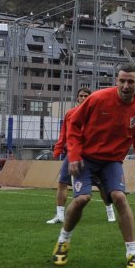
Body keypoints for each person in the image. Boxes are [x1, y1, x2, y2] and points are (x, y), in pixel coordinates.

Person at [52, 63, 135, 268]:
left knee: (120, 198)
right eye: (122, 81)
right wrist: (74, 155)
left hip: (112, 162)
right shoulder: (98, 98)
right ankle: (63, 240)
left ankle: (132, 253)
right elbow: (74, 125)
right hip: (85, 159)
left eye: (130, 81)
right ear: (116, 81)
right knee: (81, 199)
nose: (126, 86)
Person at [46, 87, 116, 224]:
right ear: (77, 98)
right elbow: (64, 134)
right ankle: (60, 215)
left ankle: (109, 210)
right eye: (81, 96)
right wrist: (58, 149)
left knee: (101, 185)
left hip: (92, 154)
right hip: (73, 153)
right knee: (62, 183)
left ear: (91, 98)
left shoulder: (98, 114)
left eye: (86, 96)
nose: (83, 98)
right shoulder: (70, 114)